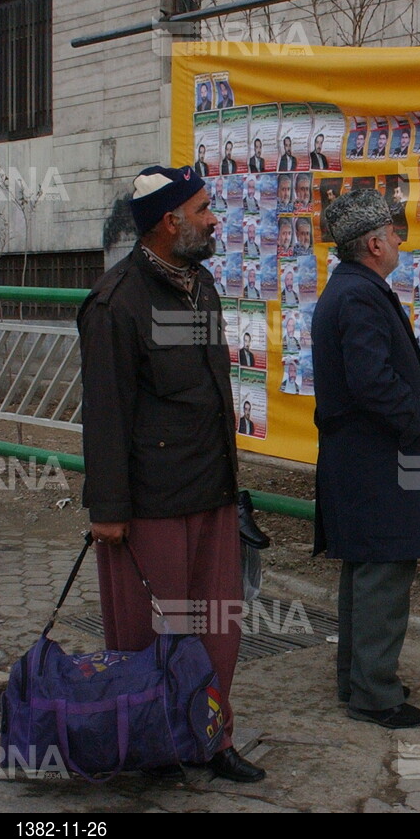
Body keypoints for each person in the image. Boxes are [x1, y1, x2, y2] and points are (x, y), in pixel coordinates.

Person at [78, 164, 264, 782]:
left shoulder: (201, 286)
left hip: (210, 493)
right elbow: (105, 415)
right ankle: (150, 746)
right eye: (205, 209)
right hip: (149, 505)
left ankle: (210, 742)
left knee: (218, 633)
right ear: (170, 220)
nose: (215, 219)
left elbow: (211, 392)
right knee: (149, 636)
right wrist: (108, 510)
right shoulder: (115, 302)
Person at [313, 189, 420, 729]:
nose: (399, 240)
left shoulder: (351, 288)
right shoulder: (360, 296)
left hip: (363, 461)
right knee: (384, 573)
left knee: (367, 568)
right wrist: (413, 420)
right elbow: (372, 381)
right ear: (373, 244)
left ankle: (358, 679)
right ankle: (375, 695)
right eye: (394, 233)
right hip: (379, 463)